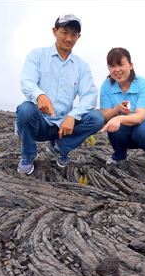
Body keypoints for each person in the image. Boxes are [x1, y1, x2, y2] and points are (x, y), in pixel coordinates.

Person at [16, 14, 104, 175]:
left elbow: (90, 96)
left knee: (97, 118)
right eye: (65, 32)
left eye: (74, 34)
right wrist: (39, 95)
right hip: (39, 122)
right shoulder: (37, 55)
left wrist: (73, 116)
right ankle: (28, 156)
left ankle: (58, 148)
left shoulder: (81, 66)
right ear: (54, 31)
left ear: (79, 37)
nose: (69, 38)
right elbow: (27, 81)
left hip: (64, 127)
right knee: (25, 109)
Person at [100, 47, 145, 166]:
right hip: (126, 129)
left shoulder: (144, 84)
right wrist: (116, 110)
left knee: (143, 130)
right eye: (112, 66)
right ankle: (119, 155)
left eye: (120, 64)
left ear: (130, 65)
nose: (117, 70)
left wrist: (118, 118)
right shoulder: (107, 85)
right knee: (113, 124)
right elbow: (105, 116)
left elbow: (140, 117)